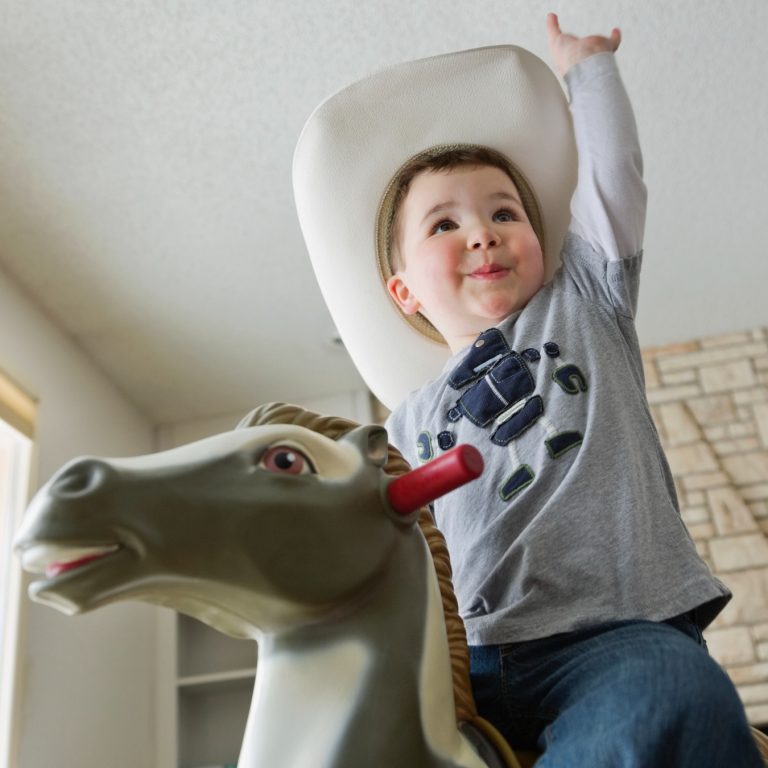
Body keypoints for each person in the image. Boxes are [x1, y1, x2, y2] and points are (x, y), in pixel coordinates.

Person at [293, 13, 763, 766]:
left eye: (504, 212)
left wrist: (589, 73)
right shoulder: (406, 420)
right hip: (470, 660)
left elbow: (612, 179)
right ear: (404, 290)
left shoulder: (583, 299)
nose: (482, 231)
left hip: (613, 635)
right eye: (445, 224)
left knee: (679, 696)